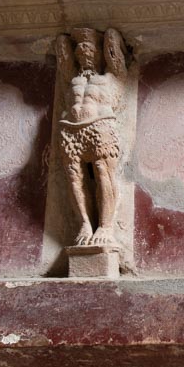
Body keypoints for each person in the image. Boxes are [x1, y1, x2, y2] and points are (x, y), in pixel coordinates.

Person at [56, 28, 126, 247]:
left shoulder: (111, 77)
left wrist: (109, 37)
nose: (84, 54)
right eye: (80, 52)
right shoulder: (73, 80)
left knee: (103, 171)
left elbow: (114, 48)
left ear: (99, 54)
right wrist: (65, 42)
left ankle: (105, 226)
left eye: (90, 51)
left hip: (100, 127)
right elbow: (63, 56)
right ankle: (85, 224)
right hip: (71, 130)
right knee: (74, 177)